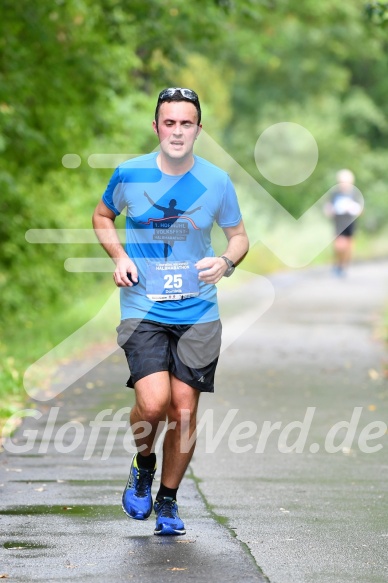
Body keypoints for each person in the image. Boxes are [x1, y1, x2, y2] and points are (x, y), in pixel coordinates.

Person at [92, 87, 249, 536]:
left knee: (183, 410)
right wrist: (119, 257)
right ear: (156, 126)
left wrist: (225, 261)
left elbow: (239, 237)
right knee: (154, 402)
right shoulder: (130, 173)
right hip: (143, 306)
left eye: (186, 123)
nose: (177, 131)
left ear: (199, 128)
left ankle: (168, 501)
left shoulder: (217, 181)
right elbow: (102, 216)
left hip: (198, 311)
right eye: (169, 122)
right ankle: (144, 462)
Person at [325, 169, 362, 277]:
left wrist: (352, 208)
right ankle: (338, 264)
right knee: (338, 246)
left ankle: (343, 266)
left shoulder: (355, 193)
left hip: (350, 223)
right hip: (338, 223)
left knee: (348, 247)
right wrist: (330, 210)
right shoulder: (334, 193)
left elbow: (360, 209)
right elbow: (328, 206)